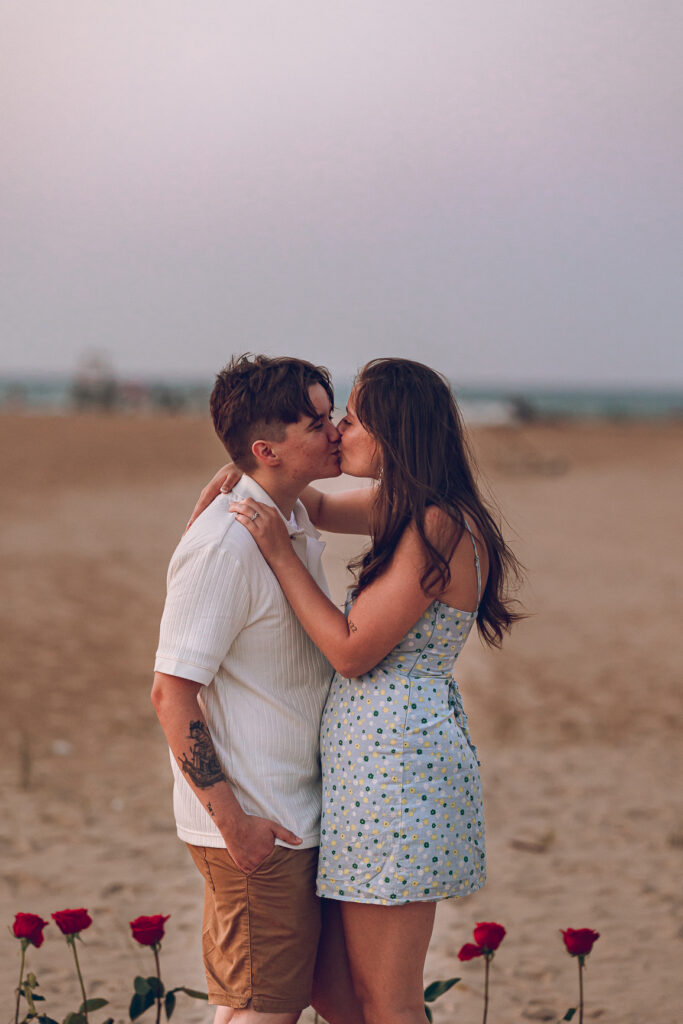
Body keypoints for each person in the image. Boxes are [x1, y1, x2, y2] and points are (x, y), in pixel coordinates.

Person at [197, 357, 522, 1024]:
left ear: (392, 432)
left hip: (398, 772)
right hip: (369, 773)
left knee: (386, 1001)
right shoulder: (404, 507)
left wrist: (283, 558)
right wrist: (252, 471)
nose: (339, 429)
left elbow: (350, 651)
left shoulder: (436, 522)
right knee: (338, 994)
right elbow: (310, 502)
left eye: (353, 418)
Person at [151, 354, 362, 1024]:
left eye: (333, 414)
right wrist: (234, 825)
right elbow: (170, 694)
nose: (335, 431)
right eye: (316, 421)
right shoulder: (227, 544)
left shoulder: (289, 521)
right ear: (267, 449)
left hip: (291, 815)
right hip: (254, 822)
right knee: (257, 1013)